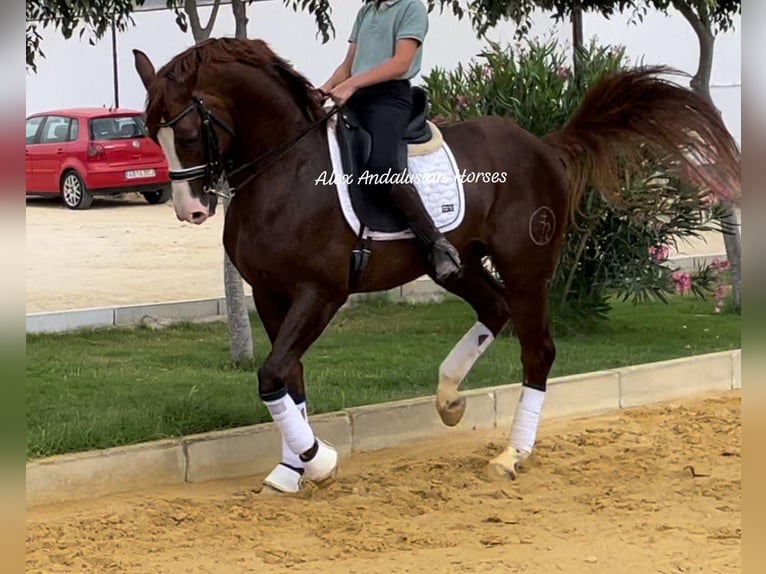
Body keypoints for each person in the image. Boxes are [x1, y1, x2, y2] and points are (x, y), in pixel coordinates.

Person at [317, 0, 462, 282]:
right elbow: (348, 66)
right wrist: (323, 88)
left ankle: (436, 243)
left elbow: (400, 63)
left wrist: (353, 84)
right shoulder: (366, 11)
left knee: (382, 168)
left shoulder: (411, 8)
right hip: (356, 97)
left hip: (388, 99)